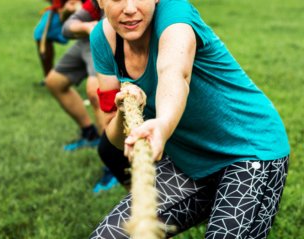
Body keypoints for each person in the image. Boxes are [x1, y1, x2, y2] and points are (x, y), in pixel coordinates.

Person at [88, 0, 291, 238]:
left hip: (249, 151)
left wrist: (163, 125)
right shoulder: (102, 41)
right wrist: (124, 109)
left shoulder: (176, 13)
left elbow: (174, 73)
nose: (130, 8)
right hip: (189, 161)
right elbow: (112, 133)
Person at [45, 0, 119, 192]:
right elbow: (67, 27)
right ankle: (90, 133)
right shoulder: (93, 4)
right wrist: (86, 26)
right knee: (54, 82)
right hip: (87, 39)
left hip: (107, 40)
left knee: (96, 92)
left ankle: (113, 163)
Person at [34, 0, 82, 83]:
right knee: (40, 34)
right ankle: (49, 78)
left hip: (88, 8)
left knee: (94, 37)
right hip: (59, 9)